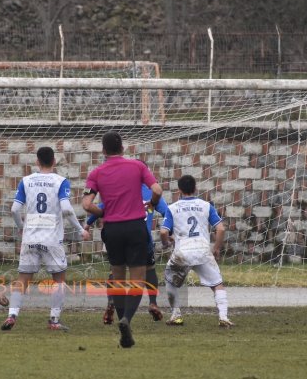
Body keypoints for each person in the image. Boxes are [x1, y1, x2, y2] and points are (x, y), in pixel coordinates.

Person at [82, 131, 163, 348]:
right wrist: (152, 204)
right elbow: (157, 189)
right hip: (136, 227)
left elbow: (87, 205)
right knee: (138, 278)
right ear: (123, 148)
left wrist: (102, 215)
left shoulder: (96, 172)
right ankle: (127, 319)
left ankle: (122, 322)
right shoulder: (137, 166)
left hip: (113, 229)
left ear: (103, 150)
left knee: (117, 278)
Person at [3, 146, 91, 332]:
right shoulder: (61, 182)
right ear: (54, 162)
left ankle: (12, 315)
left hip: (30, 237)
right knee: (59, 280)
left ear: (37, 162)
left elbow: (14, 210)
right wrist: (80, 229)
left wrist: (21, 228)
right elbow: (66, 209)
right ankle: (54, 320)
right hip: (51, 239)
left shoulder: (26, 181)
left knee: (22, 279)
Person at [85, 185, 168, 324]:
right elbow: (166, 212)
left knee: (117, 270)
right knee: (149, 269)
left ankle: (112, 300)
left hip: (117, 236)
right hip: (141, 237)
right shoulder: (150, 192)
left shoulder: (119, 188)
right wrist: (169, 230)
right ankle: (153, 302)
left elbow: (101, 208)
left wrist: (88, 223)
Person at [159, 174, 232, 328]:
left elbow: (164, 232)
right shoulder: (206, 205)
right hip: (202, 250)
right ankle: (223, 316)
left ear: (179, 190)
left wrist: (166, 243)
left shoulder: (172, 208)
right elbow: (220, 228)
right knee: (217, 284)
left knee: (170, 281)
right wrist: (216, 248)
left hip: (183, 252)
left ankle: (176, 315)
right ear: (195, 188)